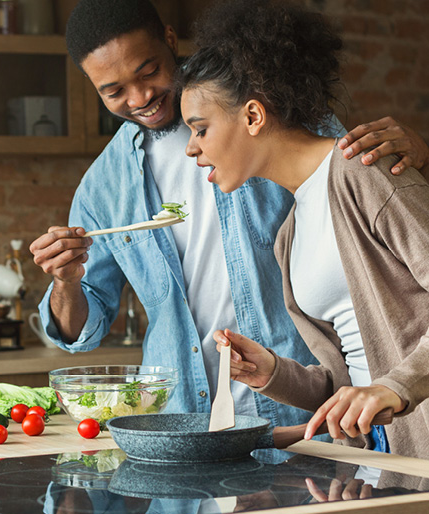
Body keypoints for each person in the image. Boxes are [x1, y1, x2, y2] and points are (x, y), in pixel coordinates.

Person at [28, 0, 429, 447]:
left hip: (338, 416)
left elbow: (355, 175)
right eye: (113, 90)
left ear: (170, 41)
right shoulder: (104, 186)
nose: (139, 98)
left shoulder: (290, 128)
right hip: (202, 418)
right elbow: (82, 331)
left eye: (148, 71)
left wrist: (414, 158)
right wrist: (65, 281)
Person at [179, 0, 429, 459]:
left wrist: (393, 387)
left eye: (200, 129)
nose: (191, 150)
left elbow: (385, 383)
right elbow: (347, 380)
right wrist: (271, 372)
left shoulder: (365, 170)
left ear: (252, 116)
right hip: (380, 459)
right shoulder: (289, 233)